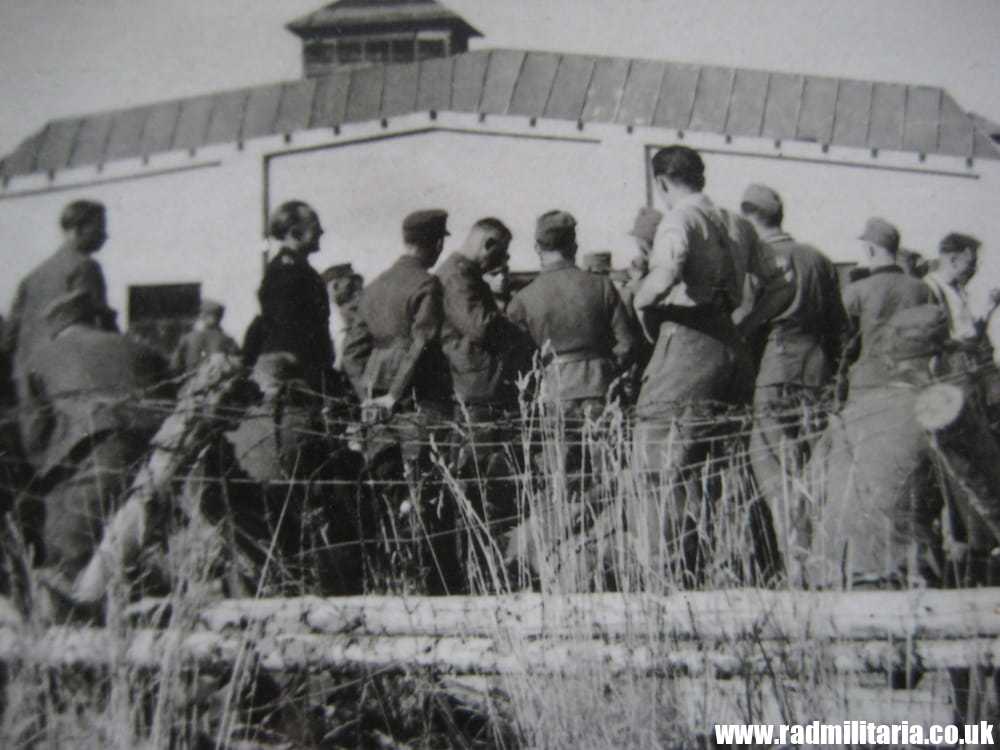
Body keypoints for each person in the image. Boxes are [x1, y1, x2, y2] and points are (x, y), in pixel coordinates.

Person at [630, 145, 746, 580]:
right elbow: (770, 281)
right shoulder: (732, 221)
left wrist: (641, 301)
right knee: (715, 462)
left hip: (689, 340)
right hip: (729, 341)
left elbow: (667, 271)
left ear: (662, 183)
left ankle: (666, 573)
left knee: (656, 458)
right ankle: (724, 564)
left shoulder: (679, 218)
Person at [15, 290, 168, 589]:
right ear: (93, 318)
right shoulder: (140, 347)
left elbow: (34, 432)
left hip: (99, 446)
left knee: (68, 546)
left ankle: (79, 601)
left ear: (55, 326)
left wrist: (41, 475)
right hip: (161, 447)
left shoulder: (40, 358)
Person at [737, 184, 849, 577]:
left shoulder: (757, 260)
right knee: (814, 470)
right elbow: (840, 326)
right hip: (816, 372)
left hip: (774, 369)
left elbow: (745, 321)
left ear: (749, 216)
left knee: (775, 471)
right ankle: (822, 563)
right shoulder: (818, 258)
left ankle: (796, 566)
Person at [507, 210, 636, 416]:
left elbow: (517, 358)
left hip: (553, 391)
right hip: (600, 387)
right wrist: (605, 369)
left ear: (537, 248)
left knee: (558, 439)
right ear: (574, 246)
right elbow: (627, 344)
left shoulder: (523, 298)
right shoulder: (602, 286)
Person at [6, 200, 116, 375]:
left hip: (27, 377)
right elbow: (101, 324)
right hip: (66, 375)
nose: (105, 235)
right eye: (100, 228)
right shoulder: (86, 266)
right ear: (78, 229)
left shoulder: (32, 276)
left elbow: (9, 336)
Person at [841, 217, 934, 393]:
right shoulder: (922, 288)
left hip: (870, 380)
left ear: (870, 250)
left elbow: (844, 340)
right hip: (914, 381)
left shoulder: (856, 290)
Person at [255, 200, 334, 396]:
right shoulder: (288, 271)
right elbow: (288, 327)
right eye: (315, 226)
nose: (321, 231)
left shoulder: (298, 269)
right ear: (295, 232)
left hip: (304, 370)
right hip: (294, 375)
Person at [170, 299, 239, 375]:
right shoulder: (228, 340)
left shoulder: (188, 337)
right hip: (218, 381)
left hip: (191, 380)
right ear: (220, 318)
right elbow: (237, 364)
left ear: (202, 316)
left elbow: (174, 365)